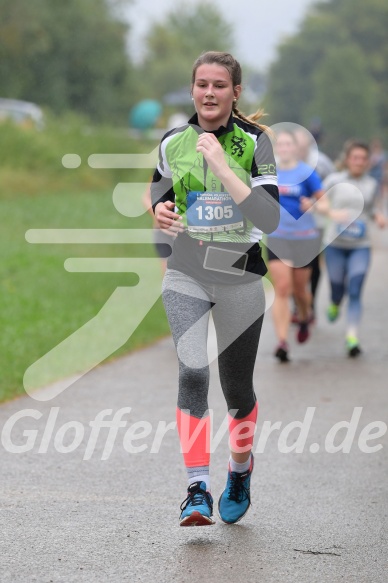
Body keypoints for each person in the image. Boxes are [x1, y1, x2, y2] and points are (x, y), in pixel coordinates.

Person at [151, 51, 279, 526]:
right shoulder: (171, 143)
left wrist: (224, 167)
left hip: (240, 275)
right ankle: (196, 489)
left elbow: (269, 216)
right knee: (191, 371)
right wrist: (160, 215)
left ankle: (240, 470)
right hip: (186, 271)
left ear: (235, 93)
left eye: (219, 85)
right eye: (201, 84)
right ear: (192, 90)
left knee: (237, 390)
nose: (209, 92)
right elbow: (159, 196)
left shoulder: (256, 143)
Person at [318, 141, 386, 357]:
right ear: (347, 159)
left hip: (361, 245)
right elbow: (319, 203)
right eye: (354, 157)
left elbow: (374, 208)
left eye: (362, 158)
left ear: (367, 162)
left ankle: (352, 337)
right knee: (338, 287)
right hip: (335, 245)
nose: (358, 162)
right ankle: (335, 302)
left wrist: (379, 217)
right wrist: (331, 213)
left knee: (355, 289)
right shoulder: (334, 180)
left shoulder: (371, 184)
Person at [265, 129, 324, 363]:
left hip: (305, 237)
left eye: (289, 144)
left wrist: (313, 203)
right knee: (282, 287)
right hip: (278, 235)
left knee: (300, 290)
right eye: (281, 144)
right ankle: (282, 341)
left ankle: (304, 314)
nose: (285, 148)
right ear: (277, 149)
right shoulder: (270, 173)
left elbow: (323, 200)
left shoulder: (306, 173)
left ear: (295, 148)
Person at [294, 129, 335, 321]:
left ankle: (312, 304)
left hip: (316, 222)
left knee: (312, 263)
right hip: (292, 223)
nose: (299, 149)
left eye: (302, 146)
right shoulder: (282, 161)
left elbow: (333, 188)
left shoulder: (323, 162)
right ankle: (298, 305)